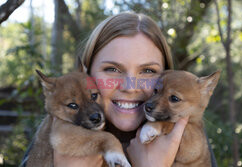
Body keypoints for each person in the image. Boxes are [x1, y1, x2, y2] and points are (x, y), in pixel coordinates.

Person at [21, 12, 217, 167]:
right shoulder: (54, 134)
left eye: (148, 71)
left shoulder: (185, 135)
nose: (130, 87)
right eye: (112, 69)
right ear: (87, 75)